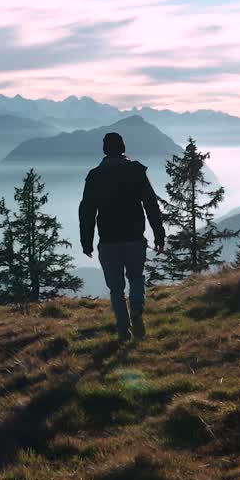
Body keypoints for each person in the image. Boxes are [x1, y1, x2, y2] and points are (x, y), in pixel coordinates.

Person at [79, 131, 166, 342]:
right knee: (136, 277)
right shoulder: (136, 171)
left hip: (108, 241)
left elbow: (87, 211)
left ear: (104, 150)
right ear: (123, 147)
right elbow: (151, 205)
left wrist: (87, 242)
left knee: (116, 288)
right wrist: (159, 234)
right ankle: (136, 310)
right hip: (135, 237)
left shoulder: (95, 176)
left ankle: (122, 329)